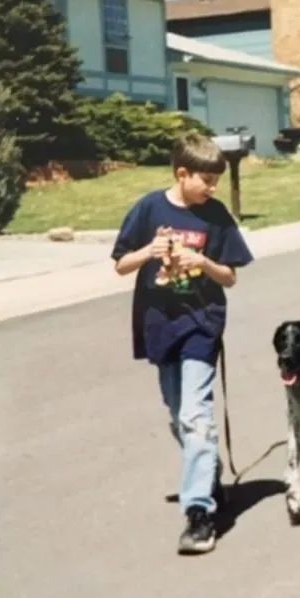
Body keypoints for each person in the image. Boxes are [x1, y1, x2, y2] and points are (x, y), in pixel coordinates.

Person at [111, 132, 253, 555]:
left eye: (216, 181)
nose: (212, 188)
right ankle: (207, 472)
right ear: (182, 173)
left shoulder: (215, 216)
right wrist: (148, 252)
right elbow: (120, 264)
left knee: (195, 416)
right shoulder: (149, 209)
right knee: (178, 417)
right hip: (158, 324)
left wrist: (204, 262)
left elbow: (231, 276)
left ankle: (198, 514)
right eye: (206, 180)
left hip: (200, 323)